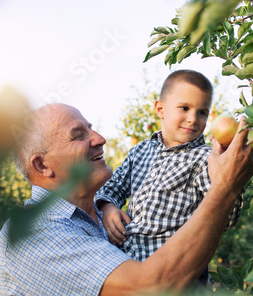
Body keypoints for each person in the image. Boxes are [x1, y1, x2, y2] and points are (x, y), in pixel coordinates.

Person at [0, 103, 253, 295]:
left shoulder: (102, 217)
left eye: (91, 128)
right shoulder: (33, 237)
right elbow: (151, 288)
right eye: (78, 135)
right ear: (43, 166)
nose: (100, 138)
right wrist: (225, 187)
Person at [94, 70, 243, 270]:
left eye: (202, 112)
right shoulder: (140, 151)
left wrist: (231, 175)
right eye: (184, 108)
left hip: (176, 269)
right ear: (160, 109)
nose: (192, 119)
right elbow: (113, 187)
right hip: (129, 264)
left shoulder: (205, 159)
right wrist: (108, 208)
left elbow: (225, 218)